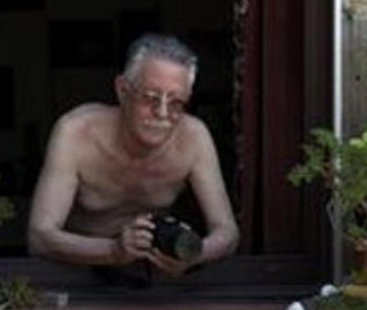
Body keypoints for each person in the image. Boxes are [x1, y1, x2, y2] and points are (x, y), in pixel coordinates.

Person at [27, 33, 239, 278]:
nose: (161, 113)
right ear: (122, 90)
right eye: (150, 98)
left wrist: (194, 255)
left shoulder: (194, 137)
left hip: (155, 277)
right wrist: (113, 251)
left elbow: (228, 232)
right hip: (77, 274)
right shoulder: (76, 132)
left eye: (176, 103)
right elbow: (39, 237)